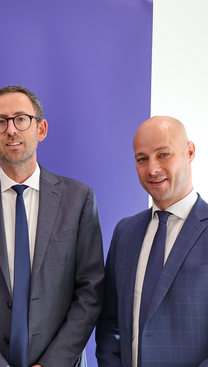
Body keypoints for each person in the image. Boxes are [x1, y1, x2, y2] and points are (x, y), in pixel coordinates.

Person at [0, 85, 104, 367]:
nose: (11, 130)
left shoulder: (79, 199)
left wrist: (52, 363)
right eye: (1, 122)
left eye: (21, 119)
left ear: (41, 129)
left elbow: (90, 290)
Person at [96, 116, 208, 367]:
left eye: (163, 154)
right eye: (142, 159)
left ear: (189, 152)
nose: (152, 169)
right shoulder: (125, 232)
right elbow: (110, 321)